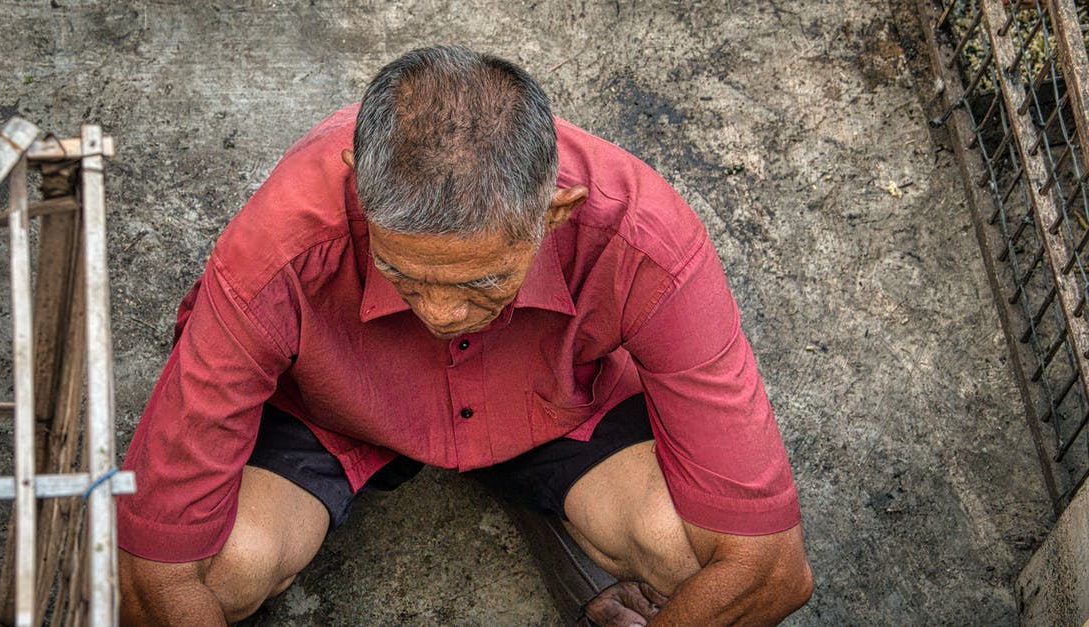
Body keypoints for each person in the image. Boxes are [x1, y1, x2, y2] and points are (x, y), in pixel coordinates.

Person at [117, 45, 812, 626]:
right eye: (403, 274)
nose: (441, 315)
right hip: (331, 409)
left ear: (557, 214)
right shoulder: (273, 247)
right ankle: (575, 547)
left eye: (482, 283)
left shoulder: (645, 238)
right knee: (216, 568)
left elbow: (772, 568)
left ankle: (560, 520)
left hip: (552, 402)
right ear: (358, 189)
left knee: (692, 554)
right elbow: (154, 573)